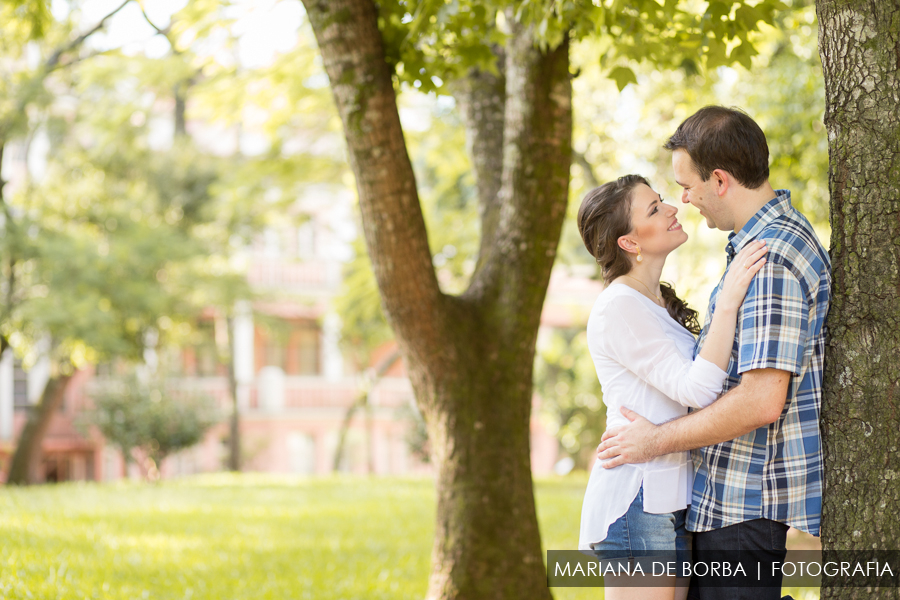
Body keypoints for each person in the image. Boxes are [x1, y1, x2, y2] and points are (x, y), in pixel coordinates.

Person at [596, 106, 832, 600]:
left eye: (686, 186)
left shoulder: (771, 258)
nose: (683, 201)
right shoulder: (759, 248)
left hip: (745, 504)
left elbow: (760, 401)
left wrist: (653, 442)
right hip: (723, 504)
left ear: (720, 180)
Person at [576, 173, 768, 600]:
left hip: (668, 499)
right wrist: (731, 299)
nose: (672, 208)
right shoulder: (619, 307)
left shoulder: (653, 304)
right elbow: (697, 390)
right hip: (638, 500)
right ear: (629, 242)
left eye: (662, 200)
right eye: (654, 208)